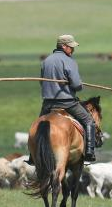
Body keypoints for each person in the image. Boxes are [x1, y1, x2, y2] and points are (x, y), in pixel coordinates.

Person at [40, 34, 97, 163]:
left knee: (38, 126)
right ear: (64, 46)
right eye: (71, 47)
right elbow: (76, 85)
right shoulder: (69, 61)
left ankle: (33, 156)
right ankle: (89, 152)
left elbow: (41, 83)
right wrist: (78, 85)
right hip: (67, 102)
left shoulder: (46, 61)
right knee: (89, 121)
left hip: (48, 103)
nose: (72, 50)